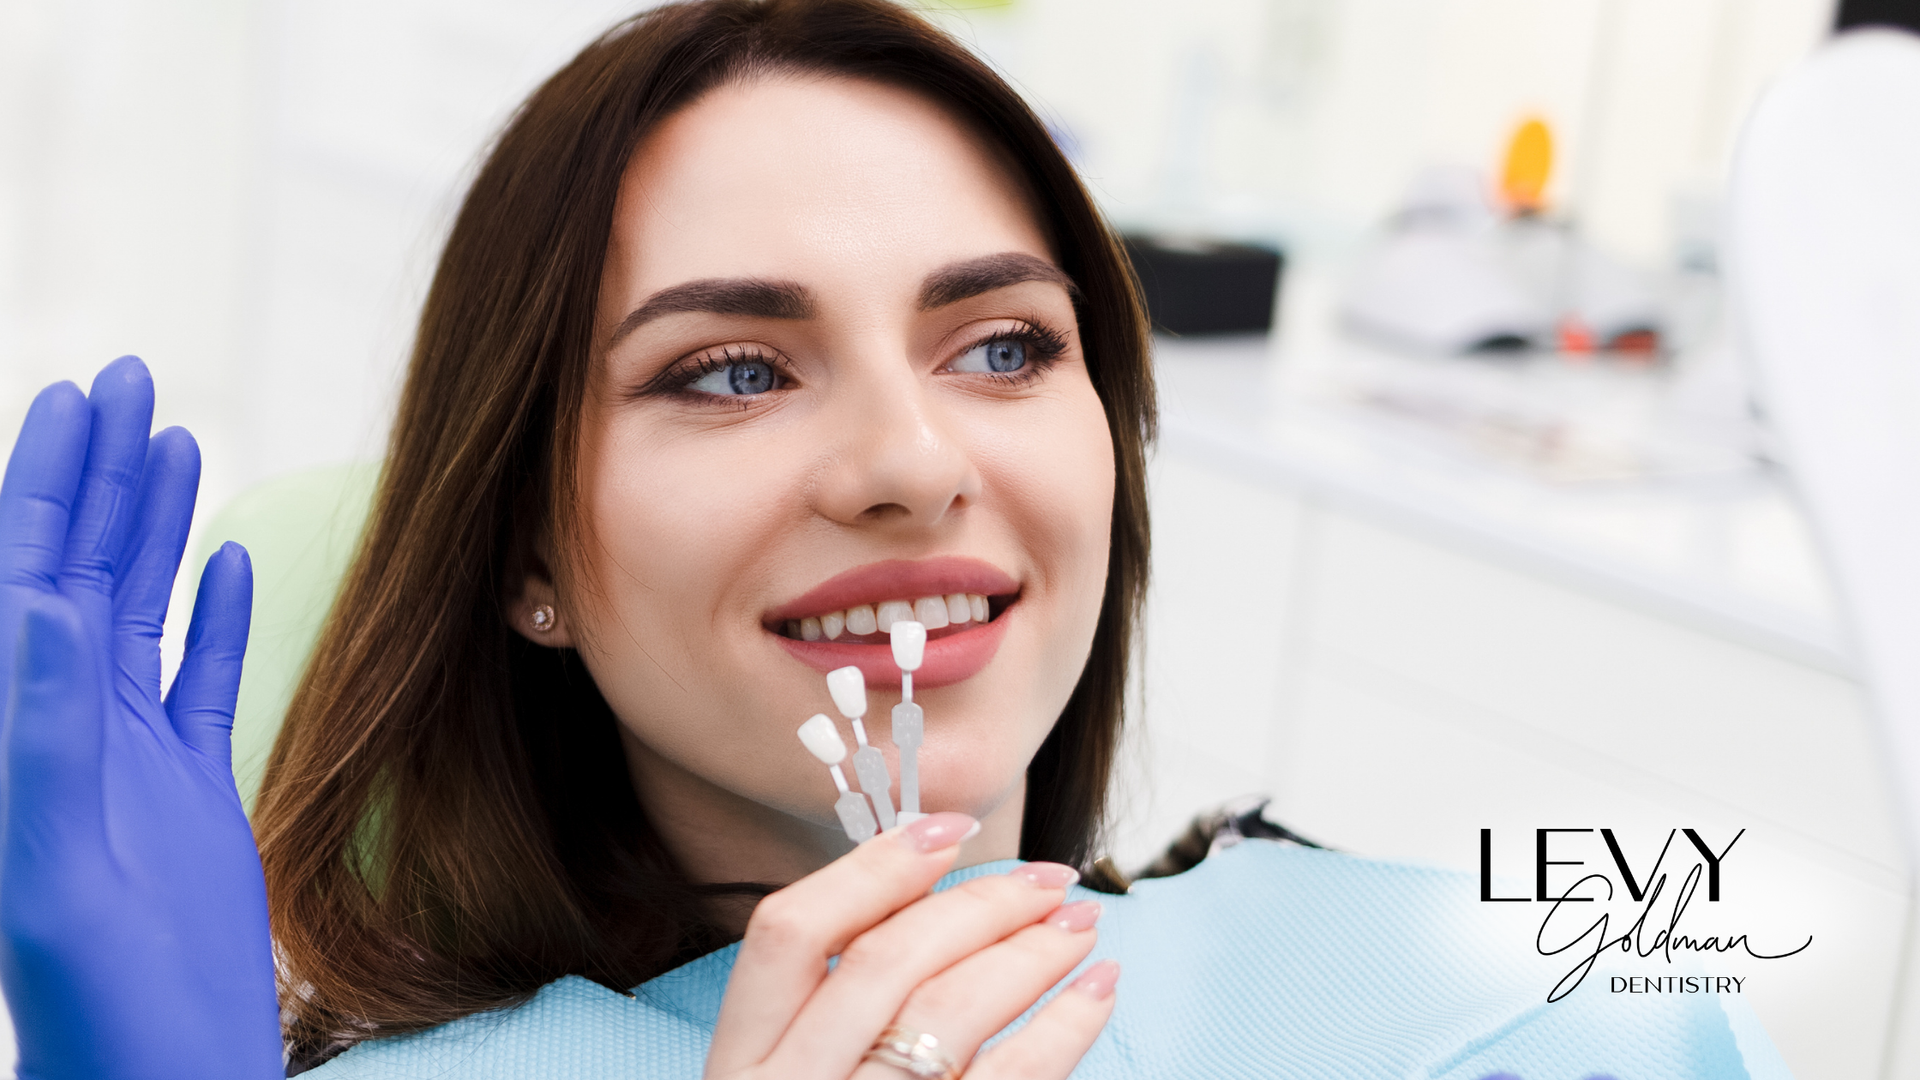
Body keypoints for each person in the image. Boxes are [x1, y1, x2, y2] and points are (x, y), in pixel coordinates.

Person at [0, 2, 1792, 1078]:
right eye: (729, 369)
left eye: (1002, 344)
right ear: (526, 556)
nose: (909, 459)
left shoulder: (1535, 1021)